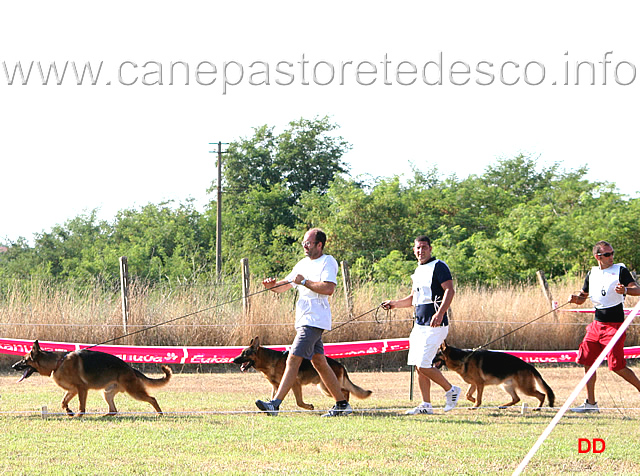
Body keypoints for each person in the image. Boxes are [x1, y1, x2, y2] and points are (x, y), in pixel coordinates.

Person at [255, 228, 353, 417]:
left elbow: (328, 288)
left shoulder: (328, 261)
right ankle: (342, 404)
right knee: (319, 362)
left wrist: (305, 282)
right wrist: (272, 286)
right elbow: (286, 285)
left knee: (292, 358)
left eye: (308, 243)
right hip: (303, 319)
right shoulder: (302, 263)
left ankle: (275, 404)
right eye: (304, 243)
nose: (305, 247)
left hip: (315, 320)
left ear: (319, 244)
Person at [381, 235, 461, 414]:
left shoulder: (439, 266)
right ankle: (426, 404)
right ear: (414, 250)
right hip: (419, 324)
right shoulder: (417, 270)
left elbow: (450, 290)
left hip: (436, 325)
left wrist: (440, 313)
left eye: (424, 247)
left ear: (430, 249)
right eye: (418, 248)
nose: (421, 250)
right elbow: (413, 299)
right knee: (418, 364)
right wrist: (394, 303)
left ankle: (451, 390)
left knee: (425, 363)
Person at [568, 240, 640, 413]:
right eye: (607, 254)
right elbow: (582, 298)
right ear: (597, 257)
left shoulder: (620, 270)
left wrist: (625, 291)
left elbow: (637, 290)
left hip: (615, 326)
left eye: (612, 253)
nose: (611, 257)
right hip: (596, 325)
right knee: (588, 361)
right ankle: (591, 404)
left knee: (617, 366)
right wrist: (575, 299)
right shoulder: (591, 274)